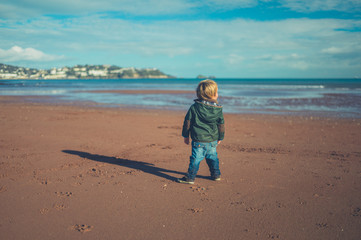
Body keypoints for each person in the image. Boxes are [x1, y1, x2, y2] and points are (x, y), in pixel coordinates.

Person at [177, 79, 225, 184]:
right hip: (212, 140)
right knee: (213, 158)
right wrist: (220, 137)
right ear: (212, 95)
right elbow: (221, 125)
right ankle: (216, 175)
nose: (217, 94)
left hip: (198, 140)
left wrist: (186, 136)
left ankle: (190, 178)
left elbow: (187, 122)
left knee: (195, 159)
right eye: (216, 92)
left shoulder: (194, 107)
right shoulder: (218, 109)